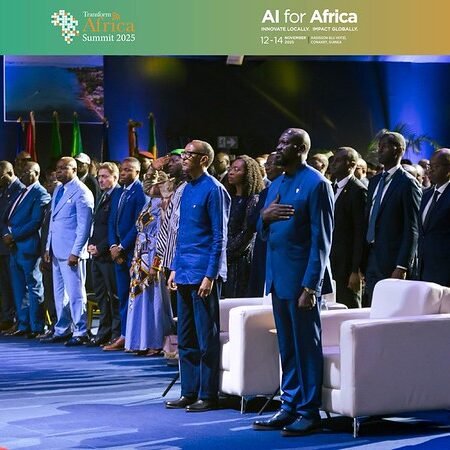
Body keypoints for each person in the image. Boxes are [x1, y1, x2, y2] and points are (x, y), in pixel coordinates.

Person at [253, 128, 333, 437]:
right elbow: (263, 229)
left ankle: (309, 411)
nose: (278, 147)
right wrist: (264, 217)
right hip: (278, 278)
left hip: (301, 283)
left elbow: (321, 241)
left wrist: (311, 286)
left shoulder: (317, 184)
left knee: (305, 348)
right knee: (286, 346)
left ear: (300, 148)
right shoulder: (276, 183)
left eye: (285, 143)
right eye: (279, 141)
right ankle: (289, 405)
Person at [165, 140, 230, 412]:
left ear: (204, 159)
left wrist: (210, 275)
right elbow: (181, 234)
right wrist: (174, 268)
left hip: (203, 273)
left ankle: (208, 393)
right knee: (186, 335)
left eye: (189, 154)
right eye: (184, 153)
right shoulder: (185, 189)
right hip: (184, 270)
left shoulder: (214, 189)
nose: (183, 158)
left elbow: (219, 237)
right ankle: (188, 391)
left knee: (206, 337)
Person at [362, 131, 422, 306]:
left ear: (399, 150)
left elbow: (412, 228)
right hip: (371, 256)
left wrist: (402, 265)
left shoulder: (407, 183)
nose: (379, 150)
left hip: (393, 260)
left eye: (385, 146)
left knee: (391, 310)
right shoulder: (374, 182)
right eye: (379, 146)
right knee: (372, 308)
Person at [41, 157, 94, 346]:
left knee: (76, 293)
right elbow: (53, 222)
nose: (59, 171)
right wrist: (48, 247)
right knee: (59, 294)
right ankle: (62, 329)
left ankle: (80, 331)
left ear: (75, 170)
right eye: (58, 168)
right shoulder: (58, 190)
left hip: (72, 252)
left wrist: (76, 252)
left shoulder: (82, 192)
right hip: (56, 250)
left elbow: (84, 226)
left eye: (64, 168)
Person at [125, 168, 173, 355]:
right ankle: (139, 341)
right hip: (140, 254)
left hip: (153, 255)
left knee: (153, 299)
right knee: (139, 299)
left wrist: (156, 263)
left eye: (153, 183)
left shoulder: (164, 204)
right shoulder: (148, 203)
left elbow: (163, 235)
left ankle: (155, 341)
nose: (149, 186)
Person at [1, 162, 51, 338]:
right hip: (14, 248)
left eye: (26, 171)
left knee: (34, 287)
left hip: (29, 247)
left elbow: (36, 221)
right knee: (19, 288)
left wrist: (14, 235)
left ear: (36, 173)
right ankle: (23, 324)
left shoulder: (40, 193)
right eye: (20, 171)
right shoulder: (20, 192)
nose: (21, 174)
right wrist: (6, 233)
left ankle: (36, 326)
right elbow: (6, 217)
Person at [105, 157, 146, 351]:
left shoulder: (140, 192)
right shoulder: (119, 192)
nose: (123, 173)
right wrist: (113, 245)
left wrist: (122, 247)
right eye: (122, 169)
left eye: (128, 170)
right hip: (118, 253)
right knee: (122, 295)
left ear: (137, 172)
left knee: (135, 297)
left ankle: (136, 337)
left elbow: (139, 224)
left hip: (132, 253)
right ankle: (124, 335)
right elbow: (111, 221)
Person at [87, 162, 121, 346]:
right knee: (101, 295)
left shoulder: (117, 196)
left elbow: (114, 227)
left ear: (115, 177)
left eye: (105, 176)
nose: (100, 180)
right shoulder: (103, 196)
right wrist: (91, 245)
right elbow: (97, 225)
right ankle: (103, 331)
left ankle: (116, 333)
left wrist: (100, 247)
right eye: (99, 176)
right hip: (97, 255)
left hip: (109, 255)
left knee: (113, 296)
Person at [329, 147, 367, 308]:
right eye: (333, 160)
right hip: (331, 259)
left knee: (348, 305)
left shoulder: (358, 191)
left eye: (338, 160)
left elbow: (360, 232)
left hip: (347, 263)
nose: (333, 164)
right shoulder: (331, 187)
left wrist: (355, 269)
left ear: (351, 165)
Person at [223, 155, 264, 298]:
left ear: (248, 174)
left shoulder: (253, 200)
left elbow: (248, 233)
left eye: (237, 169)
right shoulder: (228, 197)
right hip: (224, 257)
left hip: (240, 259)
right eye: (231, 168)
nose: (231, 172)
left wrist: (227, 253)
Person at [248, 152, 284, 297]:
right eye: (266, 164)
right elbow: (252, 222)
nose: (267, 167)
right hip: (262, 248)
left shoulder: (286, 191)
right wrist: (263, 216)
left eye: (271, 164)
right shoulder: (265, 192)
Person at [417, 148, 450, 286]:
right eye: (429, 166)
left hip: (445, 272)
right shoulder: (426, 195)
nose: (430, 170)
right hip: (423, 269)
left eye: (436, 166)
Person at [0, 161, 25, 333]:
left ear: (9, 173)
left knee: (15, 284)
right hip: (3, 245)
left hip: (12, 244)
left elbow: (14, 218)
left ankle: (17, 318)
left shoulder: (20, 190)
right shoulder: (4, 190)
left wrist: (7, 234)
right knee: (5, 285)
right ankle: (7, 317)